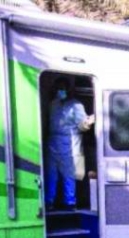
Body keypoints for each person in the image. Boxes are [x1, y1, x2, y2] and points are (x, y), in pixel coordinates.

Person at [45, 78, 94, 210]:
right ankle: (49, 202)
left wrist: (88, 122)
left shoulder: (76, 105)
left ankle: (70, 202)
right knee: (51, 175)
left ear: (68, 89)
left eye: (62, 88)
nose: (60, 91)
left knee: (69, 174)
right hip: (53, 142)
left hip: (70, 142)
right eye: (58, 88)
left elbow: (82, 125)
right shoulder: (53, 104)